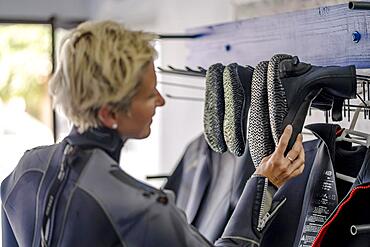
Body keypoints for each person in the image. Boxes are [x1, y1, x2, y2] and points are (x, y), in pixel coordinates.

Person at [1, 20, 305, 247]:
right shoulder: (141, 210)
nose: (160, 100)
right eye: (149, 95)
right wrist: (265, 184)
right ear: (110, 113)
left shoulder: (25, 171)